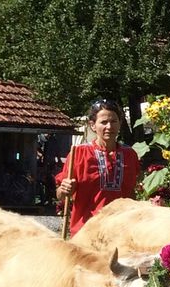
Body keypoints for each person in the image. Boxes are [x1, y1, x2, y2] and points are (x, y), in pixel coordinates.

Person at [55, 99, 140, 236]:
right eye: (103, 122)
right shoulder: (79, 153)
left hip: (121, 232)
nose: (109, 127)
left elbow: (131, 194)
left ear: (120, 123)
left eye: (113, 121)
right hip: (86, 232)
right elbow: (60, 195)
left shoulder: (130, 154)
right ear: (93, 125)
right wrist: (63, 189)